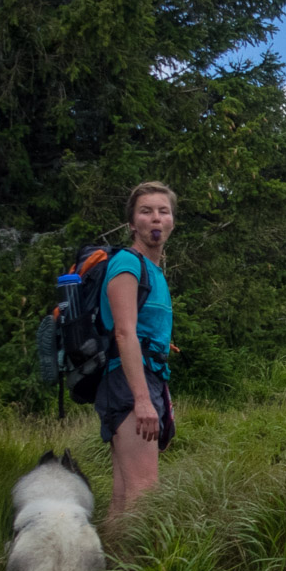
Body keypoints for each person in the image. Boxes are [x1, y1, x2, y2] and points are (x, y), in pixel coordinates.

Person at [96, 181, 176, 524]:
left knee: (123, 493)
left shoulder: (153, 271)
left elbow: (145, 338)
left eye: (163, 211)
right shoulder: (127, 264)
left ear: (172, 220)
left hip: (142, 380)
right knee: (145, 492)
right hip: (127, 384)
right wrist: (142, 400)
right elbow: (124, 332)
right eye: (146, 211)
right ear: (132, 223)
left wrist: (160, 393)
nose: (155, 218)